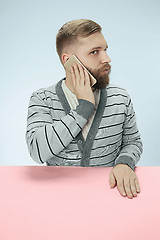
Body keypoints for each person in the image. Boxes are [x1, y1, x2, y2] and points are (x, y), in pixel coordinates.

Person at [25, 19, 143, 199]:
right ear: (68, 61)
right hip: (57, 200)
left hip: (109, 198)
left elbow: (132, 142)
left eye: (105, 49)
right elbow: (38, 152)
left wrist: (125, 164)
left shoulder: (120, 97)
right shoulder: (43, 99)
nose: (106, 59)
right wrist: (84, 108)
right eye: (94, 52)